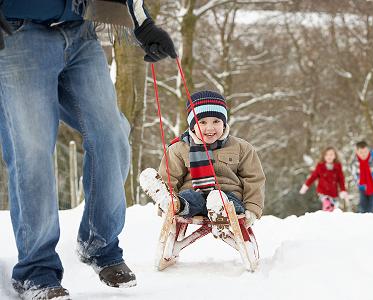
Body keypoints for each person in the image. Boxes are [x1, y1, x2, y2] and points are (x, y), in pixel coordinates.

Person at [0, 1, 176, 299]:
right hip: (18, 34)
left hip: (80, 33)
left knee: (112, 135)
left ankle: (99, 243)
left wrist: (143, 24)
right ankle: (36, 271)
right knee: (32, 151)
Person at [142, 90, 265, 229]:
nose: (210, 128)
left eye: (216, 121)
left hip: (229, 199)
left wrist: (253, 208)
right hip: (194, 199)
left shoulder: (241, 147)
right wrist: (167, 202)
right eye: (203, 122)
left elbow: (254, 179)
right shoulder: (179, 149)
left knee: (225, 200)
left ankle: (219, 209)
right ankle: (172, 203)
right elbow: (170, 176)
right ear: (192, 125)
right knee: (188, 197)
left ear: (224, 123)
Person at [299, 147, 348, 211]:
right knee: (327, 204)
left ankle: (329, 216)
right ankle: (326, 210)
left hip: (334, 193)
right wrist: (306, 185)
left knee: (333, 208)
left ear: (335, 156)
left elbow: (341, 179)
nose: (329, 157)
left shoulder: (338, 166)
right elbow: (313, 177)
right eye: (327, 155)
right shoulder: (320, 166)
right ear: (324, 156)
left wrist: (343, 190)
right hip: (323, 192)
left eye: (331, 155)